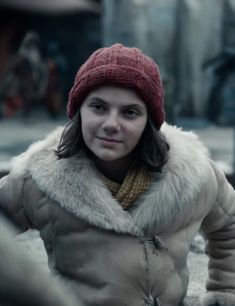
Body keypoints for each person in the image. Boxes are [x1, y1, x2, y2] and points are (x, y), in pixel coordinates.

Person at [0, 43, 235, 306]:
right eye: (98, 107)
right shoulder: (38, 180)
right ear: (79, 111)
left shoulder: (194, 174)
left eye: (130, 112)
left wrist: (225, 291)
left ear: (149, 122)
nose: (111, 124)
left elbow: (230, 224)